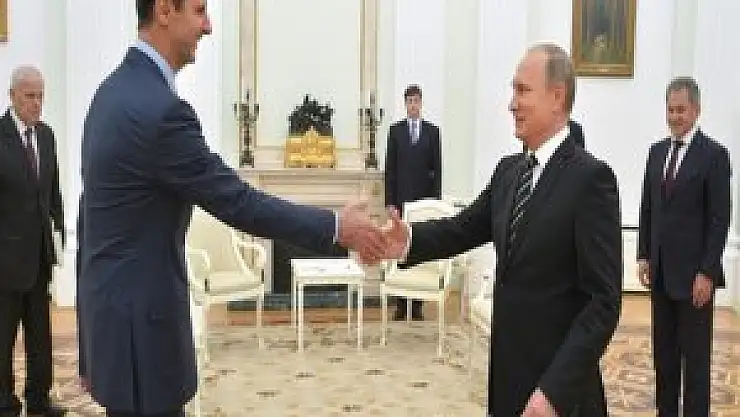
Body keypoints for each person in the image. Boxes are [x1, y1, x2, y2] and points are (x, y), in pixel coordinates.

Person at [76, 1, 385, 416]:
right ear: (165, 10)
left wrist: (90, 346)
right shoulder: (161, 112)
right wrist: (335, 226)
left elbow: (89, 224)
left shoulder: (108, 95)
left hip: (112, 330)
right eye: (199, 10)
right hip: (143, 339)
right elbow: (238, 202)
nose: (208, 26)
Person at [382, 43, 622, 416]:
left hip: (559, 398)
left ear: (557, 97)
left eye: (522, 91)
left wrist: (554, 392)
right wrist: (409, 239)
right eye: (513, 91)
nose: (512, 104)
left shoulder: (590, 180)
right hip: (508, 382)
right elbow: (463, 228)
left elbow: (603, 303)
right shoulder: (509, 172)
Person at [637, 77, 731, 417]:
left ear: (696, 110)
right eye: (671, 109)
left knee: (695, 364)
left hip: (695, 281)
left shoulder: (714, 156)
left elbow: (720, 219)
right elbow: (648, 208)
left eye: (681, 110)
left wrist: (707, 272)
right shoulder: (656, 152)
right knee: (664, 359)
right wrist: (644, 254)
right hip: (661, 276)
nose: (675, 117)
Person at [0, 66, 66, 417]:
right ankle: (4, 402)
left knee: (40, 335)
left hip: (40, 256)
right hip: (5, 260)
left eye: (41, 96)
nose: (37, 103)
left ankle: (39, 399)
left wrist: (59, 232)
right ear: (12, 96)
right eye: (30, 96)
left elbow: (53, 193)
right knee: (3, 336)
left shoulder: (47, 136)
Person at [384, 84, 441, 321]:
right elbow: (390, 169)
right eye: (409, 101)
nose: (413, 105)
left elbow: (437, 171)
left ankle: (417, 305)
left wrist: (434, 204)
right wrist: (390, 202)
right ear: (405, 104)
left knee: (419, 248)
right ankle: (400, 304)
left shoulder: (432, 132)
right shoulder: (395, 132)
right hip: (400, 203)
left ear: (421, 103)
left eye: (416, 101)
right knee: (400, 250)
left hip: (423, 204)